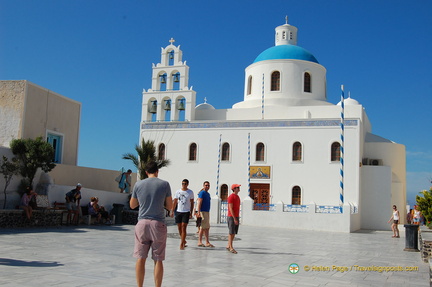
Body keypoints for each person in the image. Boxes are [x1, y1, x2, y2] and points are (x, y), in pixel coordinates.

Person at [130, 161, 172, 287]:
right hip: (158, 224)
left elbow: (132, 205)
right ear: (157, 171)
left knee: (141, 257)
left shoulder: (138, 184)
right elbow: (169, 206)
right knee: (158, 259)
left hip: (142, 223)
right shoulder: (164, 184)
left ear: (146, 172)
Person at [172, 179, 194, 250]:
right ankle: (183, 239)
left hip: (186, 211)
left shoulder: (190, 192)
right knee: (179, 227)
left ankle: (182, 243)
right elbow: (175, 201)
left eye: (185, 184)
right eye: (182, 183)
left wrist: (191, 212)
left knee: (184, 226)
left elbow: (192, 202)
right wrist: (172, 210)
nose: (183, 185)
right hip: (178, 211)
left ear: (187, 184)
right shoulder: (178, 191)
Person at [195, 181, 214, 248]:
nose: (207, 186)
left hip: (207, 211)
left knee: (207, 227)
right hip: (202, 212)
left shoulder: (208, 194)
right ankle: (199, 241)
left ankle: (207, 242)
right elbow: (199, 202)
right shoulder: (202, 193)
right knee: (202, 228)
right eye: (206, 185)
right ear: (203, 185)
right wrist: (198, 212)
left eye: (208, 185)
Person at [226, 184, 241, 254]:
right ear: (234, 189)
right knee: (231, 232)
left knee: (234, 232)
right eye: (238, 187)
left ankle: (229, 245)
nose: (239, 188)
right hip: (231, 216)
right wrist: (234, 218)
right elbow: (230, 208)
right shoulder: (231, 197)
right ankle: (231, 247)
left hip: (236, 216)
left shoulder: (237, 197)